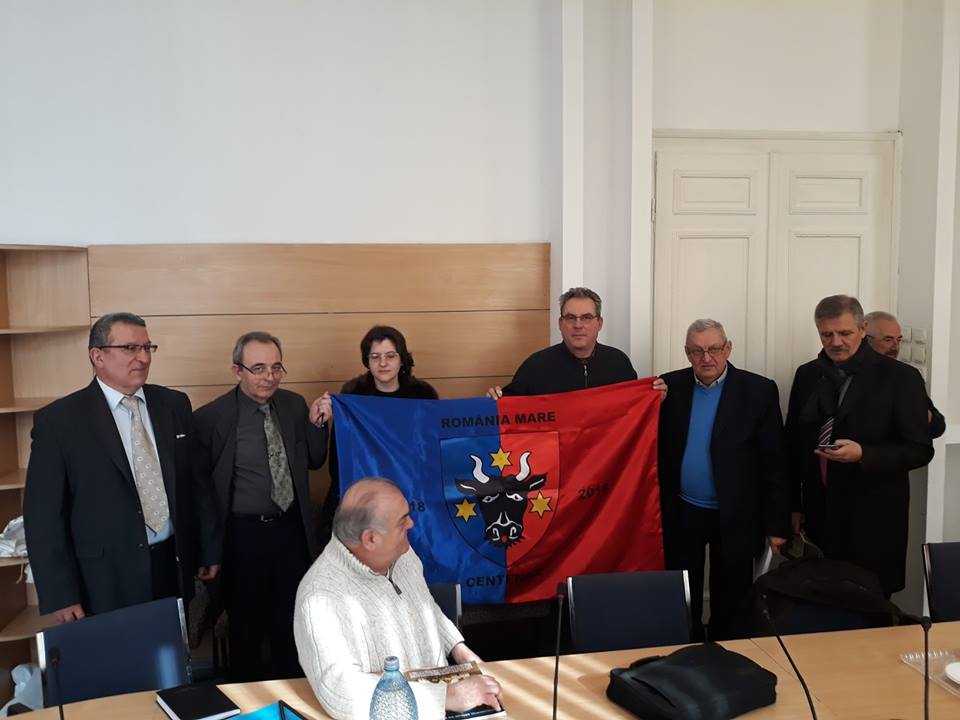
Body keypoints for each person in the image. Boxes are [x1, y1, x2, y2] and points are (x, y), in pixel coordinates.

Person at [24, 312, 217, 623]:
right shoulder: (59, 421)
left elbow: (197, 484)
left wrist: (208, 549)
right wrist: (60, 593)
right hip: (104, 578)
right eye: (130, 348)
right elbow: (43, 517)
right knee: (121, 652)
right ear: (97, 356)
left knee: (171, 651)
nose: (143, 357)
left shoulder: (174, 404)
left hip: (172, 563)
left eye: (147, 347)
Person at [294, 477, 502, 720]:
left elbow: (425, 605)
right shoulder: (319, 598)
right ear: (371, 539)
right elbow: (342, 692)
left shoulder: (401, 553)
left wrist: (459, 650)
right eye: (402, 521)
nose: (412, 524)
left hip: (445, 701)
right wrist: (446, 697)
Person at [193, 331, 332, 680]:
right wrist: (207, 550)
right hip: (242, 537)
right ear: (237, 371)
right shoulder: (211, 418)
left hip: (290, 530)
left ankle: (293, 697)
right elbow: (201, 493)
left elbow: (314, 460)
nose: (269, 376)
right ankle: (249, 700)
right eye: (258, 368)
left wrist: (317, 424)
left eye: (276, 367)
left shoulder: (294, 405)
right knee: (246, 629)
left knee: (291, 625)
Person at [786, 295, 934, 597]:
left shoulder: (901, 378)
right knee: (821, 606)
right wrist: (793, 506)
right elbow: (792, 445)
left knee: (871, 609)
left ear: (863, 329)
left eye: (845, 333)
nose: (836, 342)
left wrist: (864, 454)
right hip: (819, 518)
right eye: (827, 334)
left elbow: (920, 449)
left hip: (875, 521)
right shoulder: (807, 374)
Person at [658, 319, 788, 640]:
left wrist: (777, 524)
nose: (706, 358)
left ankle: (726, 656)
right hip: (682, 511)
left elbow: (775, 461)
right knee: (680, 594)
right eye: (697, 351)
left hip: (738, 514)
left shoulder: (759, 390)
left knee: (732, 600)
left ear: (728, 348)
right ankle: (684, 652)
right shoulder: (667, 388)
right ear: (687, 353)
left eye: (714, 349)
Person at [322, 326, 438, 538]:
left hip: (412, 489)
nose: (383, 363)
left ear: (401, 359)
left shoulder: (423, 396)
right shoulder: (352, 397)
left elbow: (432, 449)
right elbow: (340, 456)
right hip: (367, 492)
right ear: (367, 361)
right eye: (375, 357)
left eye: (390, 356)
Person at [488, 286, 639, 397]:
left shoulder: (619, 363)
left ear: (599, 323)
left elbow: (637, 408)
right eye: (570, 318)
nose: (578, 325)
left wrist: (652, 395)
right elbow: (510, 410)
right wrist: (494, 399)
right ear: (560, 324)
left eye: (586, 318)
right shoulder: (536, 366)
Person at [864, 310, 945, 438]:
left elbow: (937, 427)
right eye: (888, 340)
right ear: (867, 340)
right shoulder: (850, 373)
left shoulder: (906, 376)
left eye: (899, 340)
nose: (895, 347)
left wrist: (919, 412)